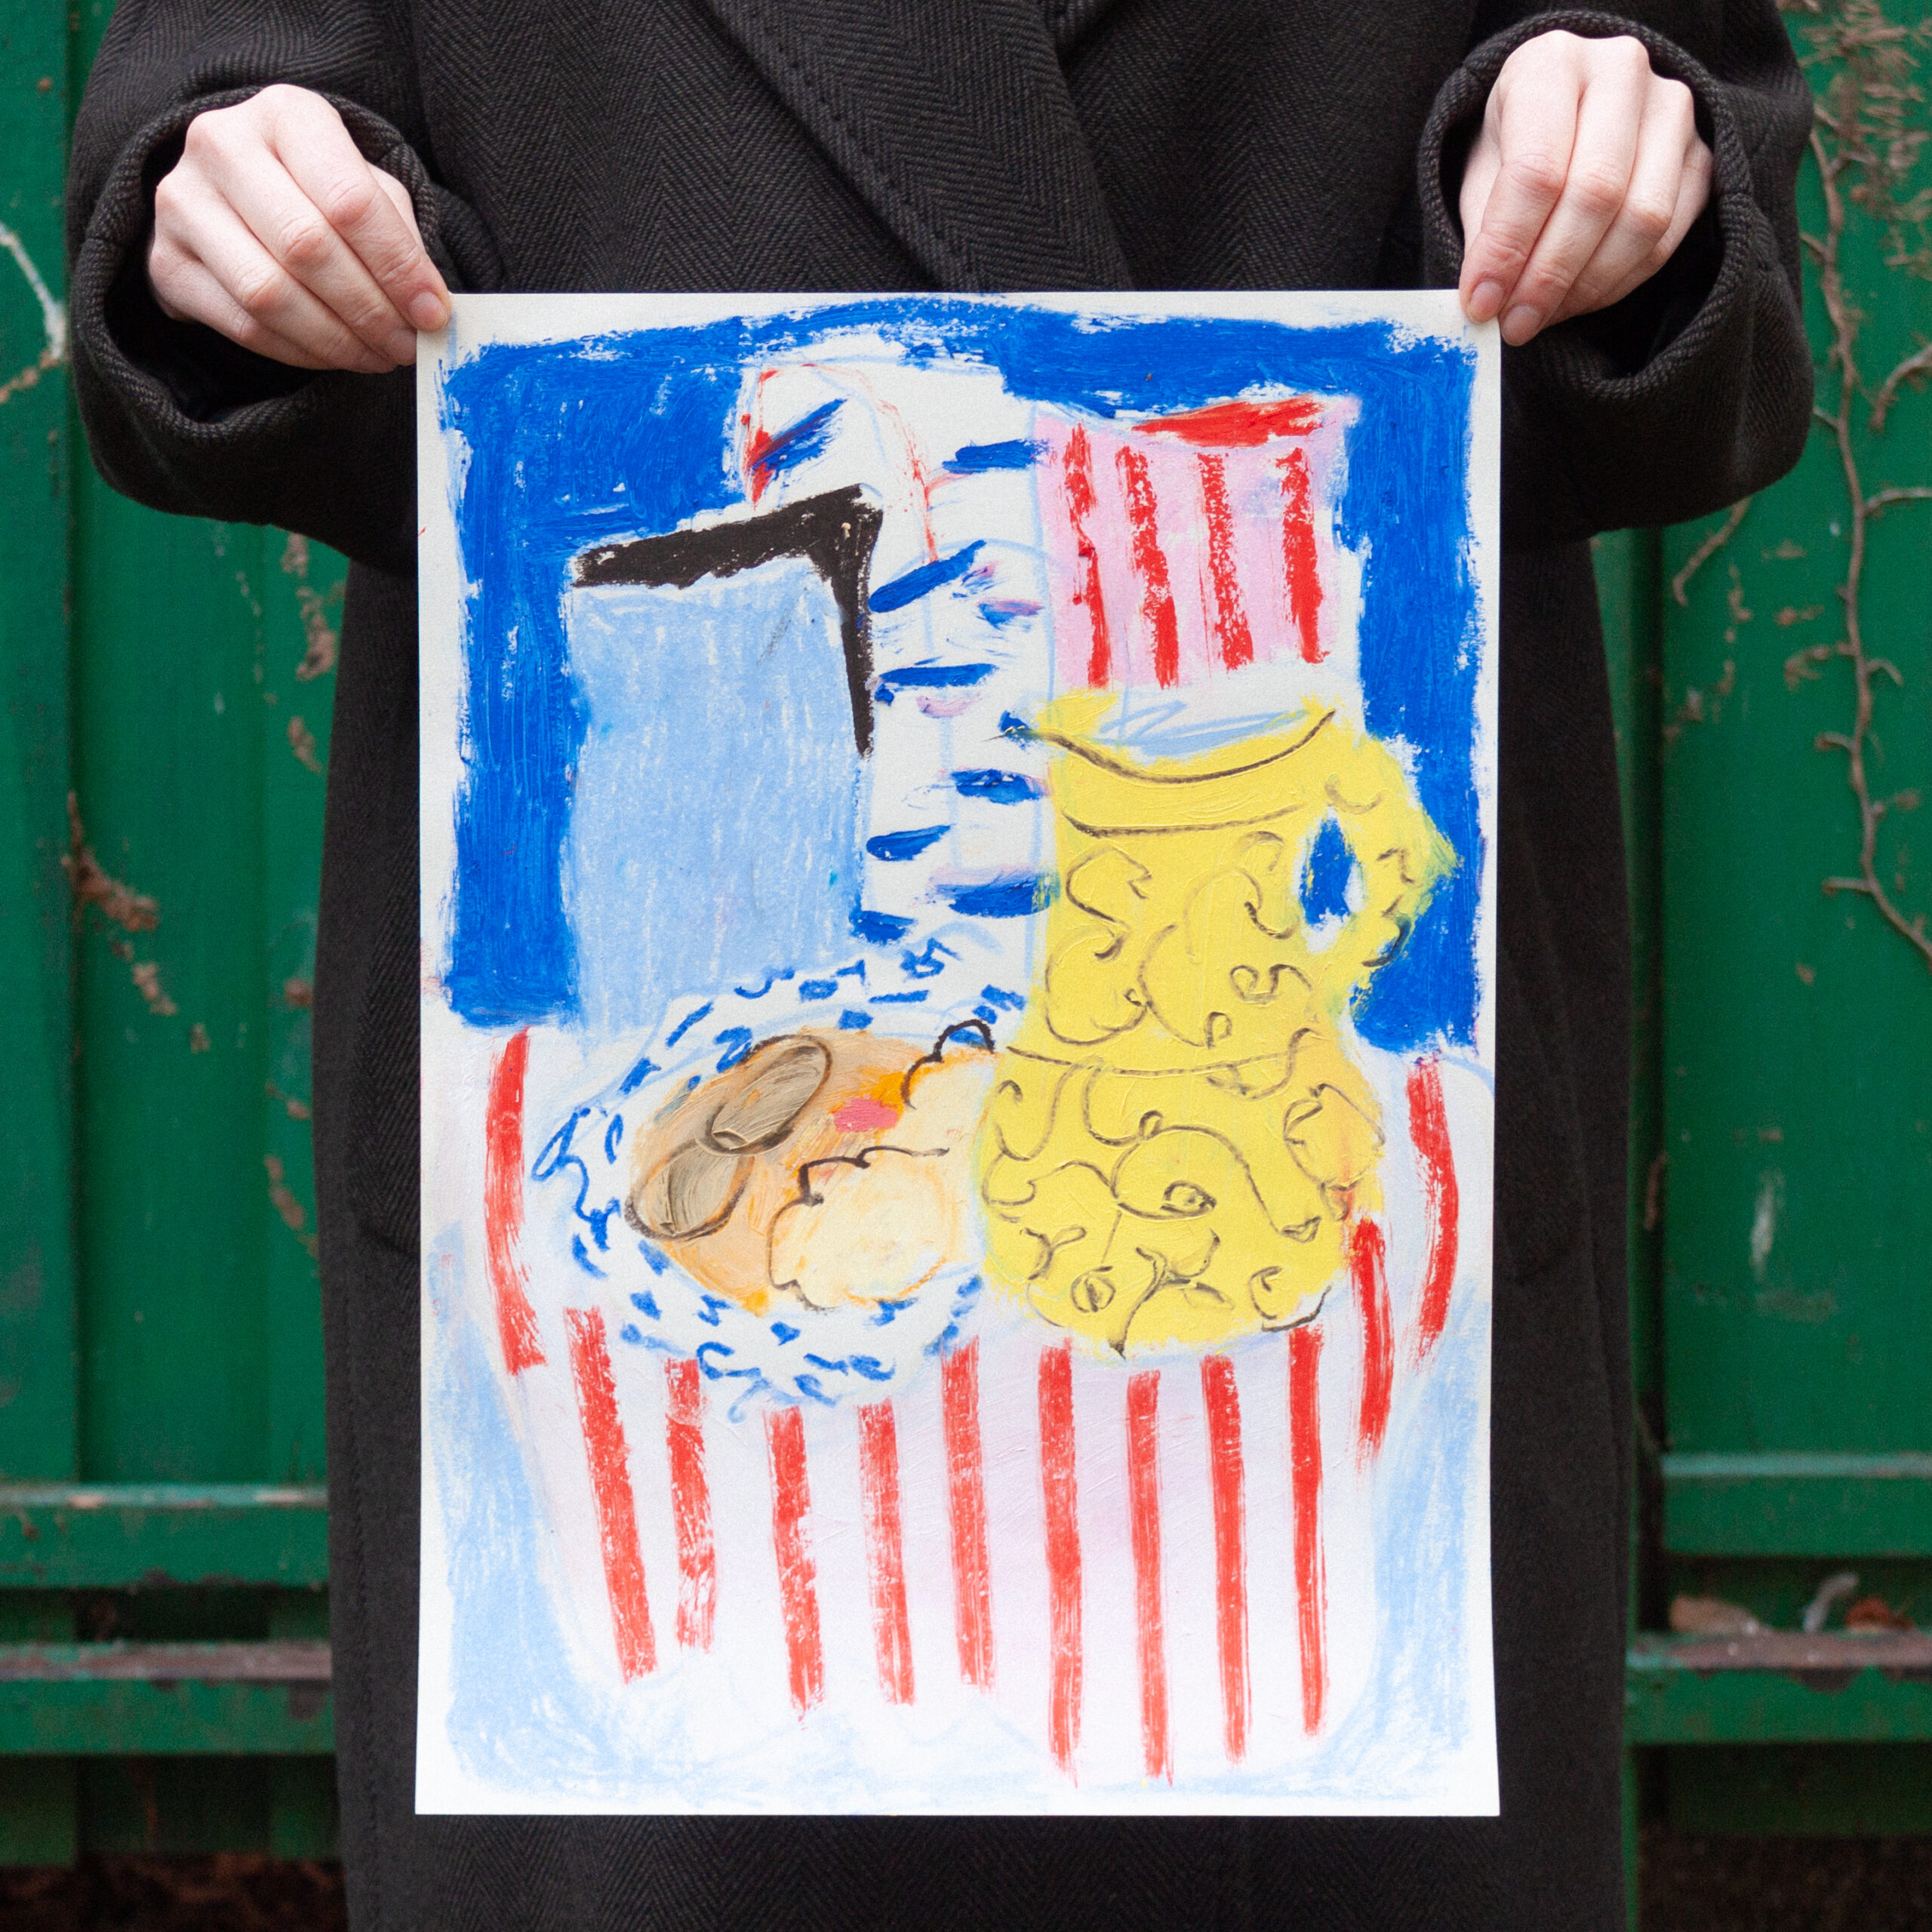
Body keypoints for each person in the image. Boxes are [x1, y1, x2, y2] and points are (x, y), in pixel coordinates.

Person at [66, 5, 1812, 1926]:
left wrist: (1607, 149)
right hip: (649, 1125)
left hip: (1318, 1285)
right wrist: (245, 207)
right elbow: (210, 162)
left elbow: (1706, 272)